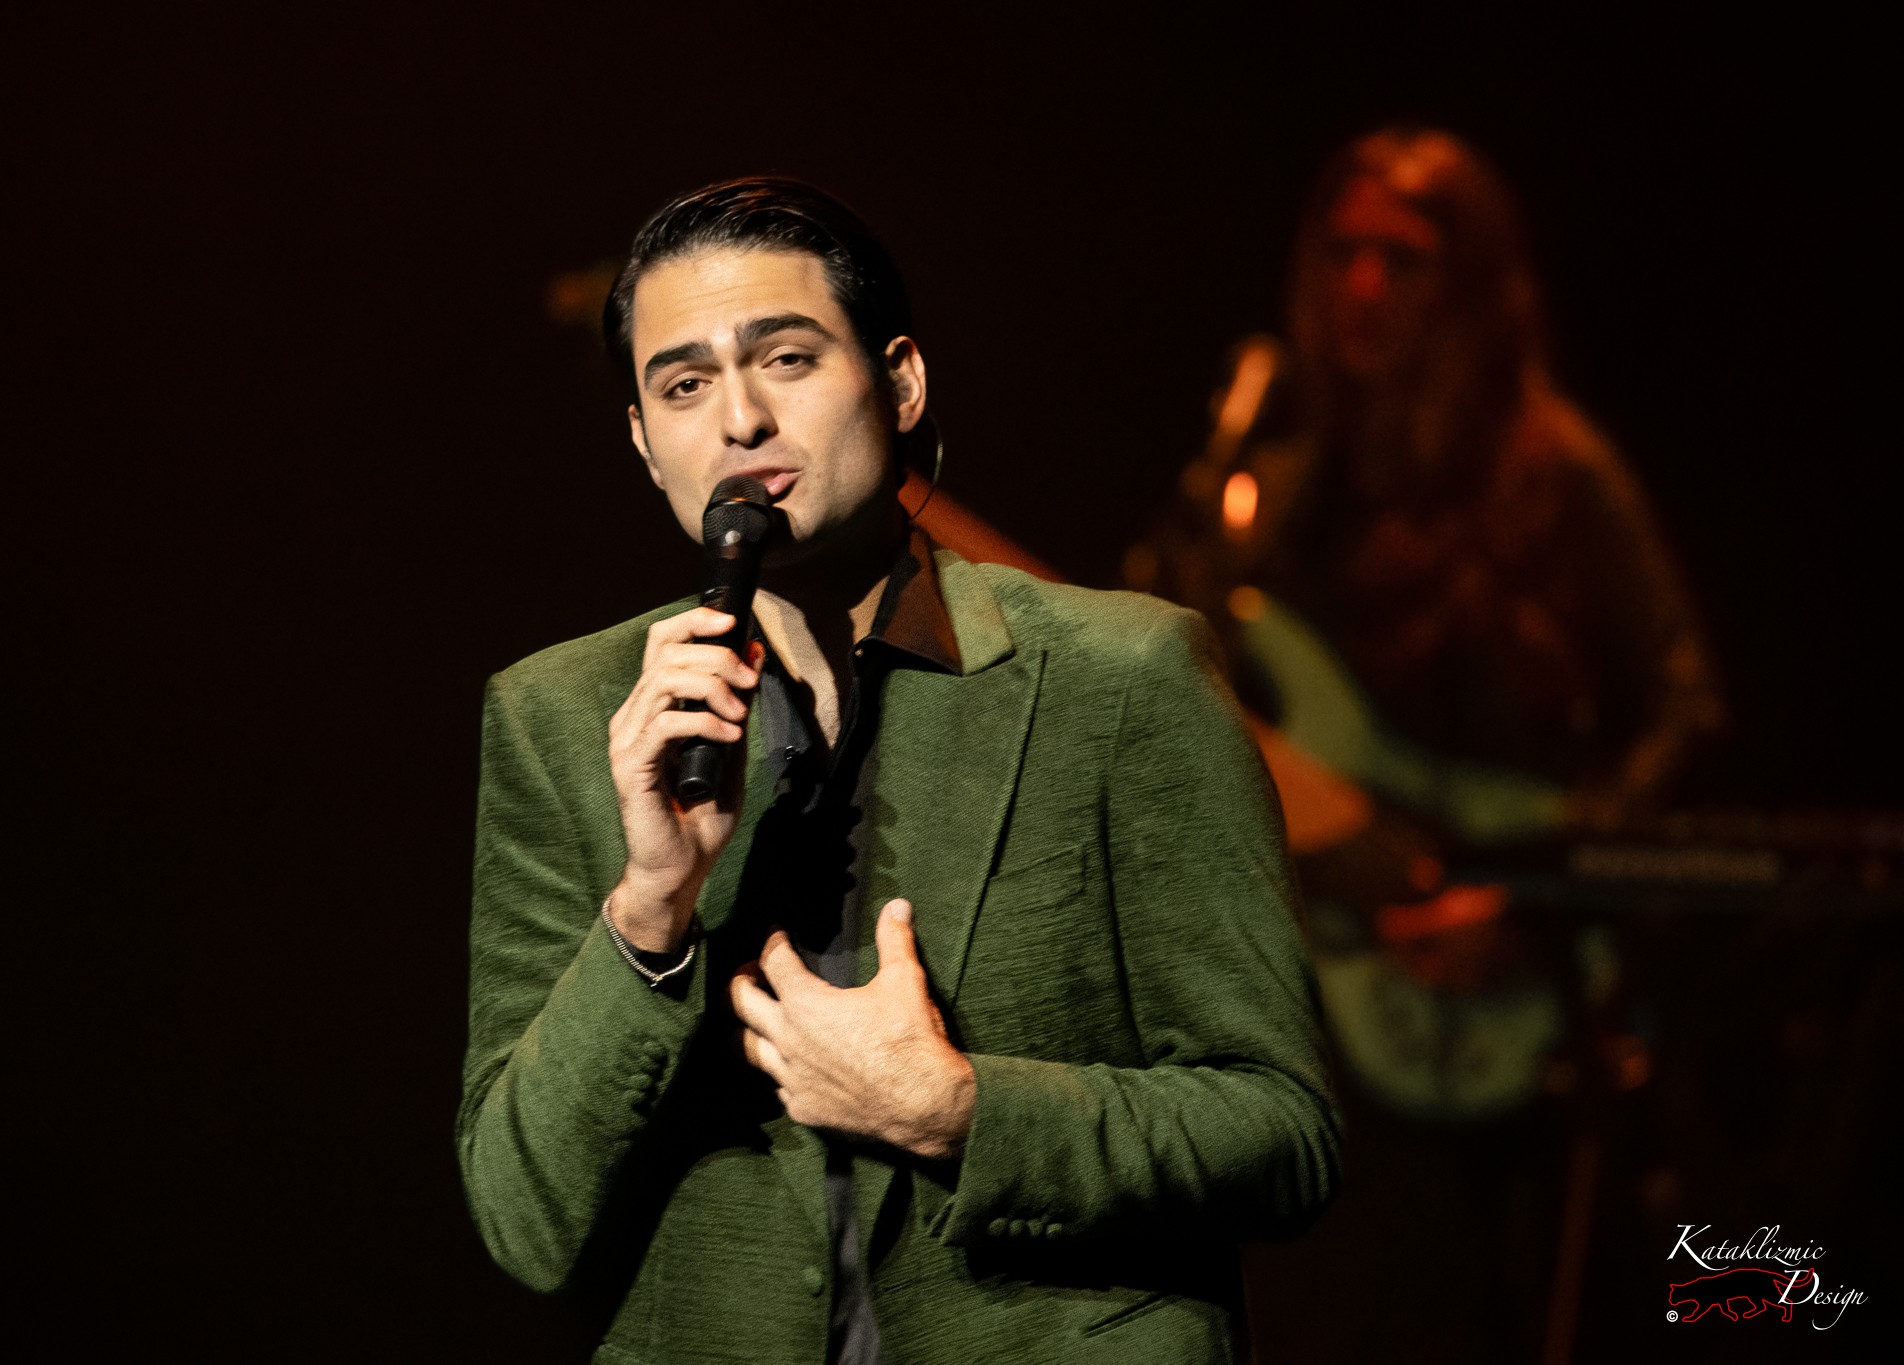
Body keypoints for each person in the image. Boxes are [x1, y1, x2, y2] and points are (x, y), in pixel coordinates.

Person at [457, 177, 1340, 1364]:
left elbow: (1283, 1135)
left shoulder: (1120, 678)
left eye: (785, 359)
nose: (739, 420)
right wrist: (649, 910)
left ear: (901, 382)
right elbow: (524, 1222)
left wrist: (961, 1111)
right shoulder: (558, 717)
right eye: (683, 385)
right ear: (640, 440)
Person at [1125, 129, 1724, 1362]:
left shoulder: (1556, 471)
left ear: (1472, 286)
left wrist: (1534, 891)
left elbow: (1683, 706)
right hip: (1318, 992)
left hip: (1504, 994)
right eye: (1339, 252)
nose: (1360, 287)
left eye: (1399, 259)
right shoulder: (1283, 476)